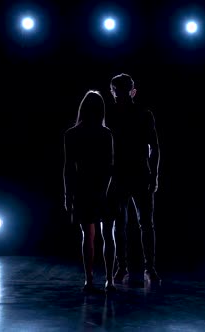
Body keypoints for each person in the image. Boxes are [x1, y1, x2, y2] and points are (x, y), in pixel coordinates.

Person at [106, 73, 161, 283]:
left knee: (142, 223)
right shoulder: (112, 114)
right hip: (122, 175)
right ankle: (130, 267)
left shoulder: (142, 114)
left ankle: (144, 268)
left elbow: (154, 147)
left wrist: (154, 174)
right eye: (116, 91)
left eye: (120, 91)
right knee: (129, 224)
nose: (118, 95)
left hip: (135, 174)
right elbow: (154, 148)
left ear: (132, 91)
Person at [64, 90, 116, 293]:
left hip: (83, 187)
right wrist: (106, 188)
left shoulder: (72, 134)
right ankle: (109, 280)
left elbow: (68, 167)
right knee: (108, 235)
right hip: (104, 187)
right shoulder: (106, 133)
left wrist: (68, 194)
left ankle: (89, 279)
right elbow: (110, 165)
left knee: (88, 236)